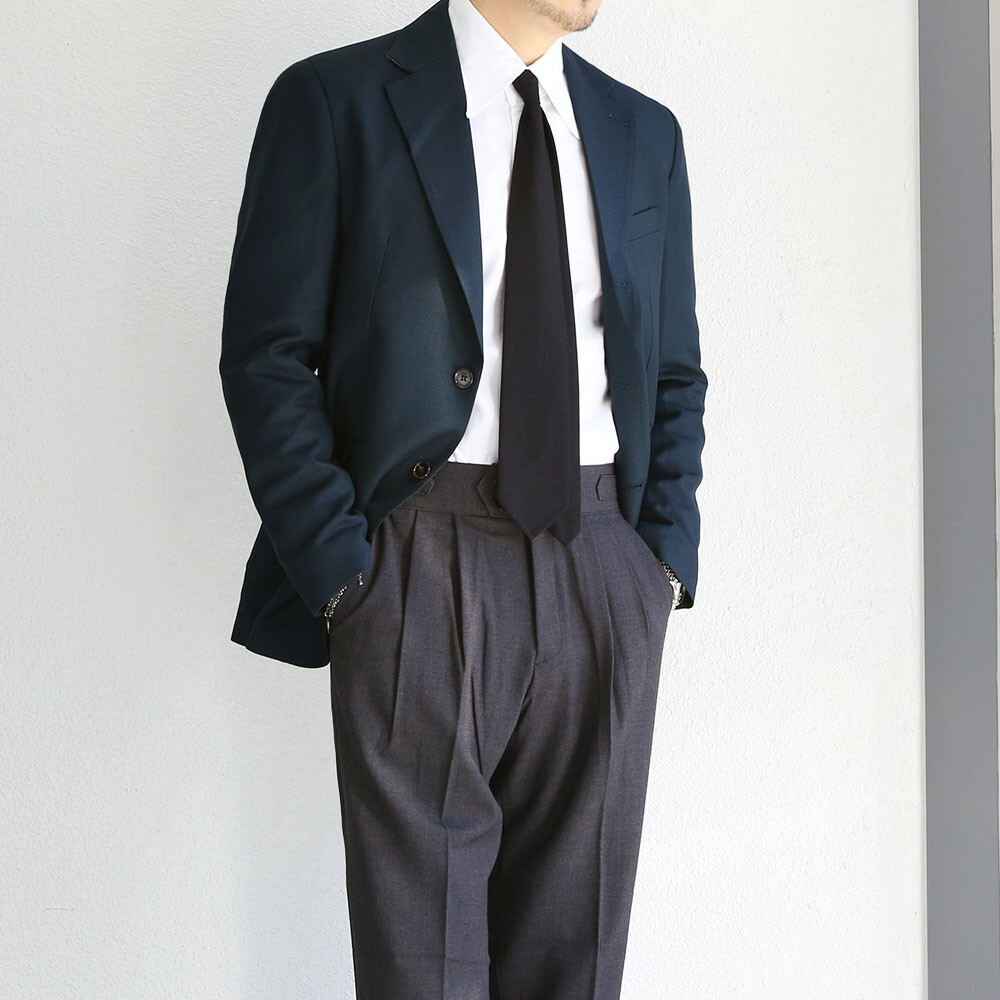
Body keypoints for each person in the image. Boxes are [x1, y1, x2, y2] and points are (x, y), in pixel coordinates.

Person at [219, 0, 707, 995]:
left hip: (603, 565)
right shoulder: (336, 102)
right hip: (414, 567)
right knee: (422, 970)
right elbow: (267, 358)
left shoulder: (643, 133)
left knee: (575, 962)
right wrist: (345, 575)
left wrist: (659, 562)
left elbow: (673, 371)